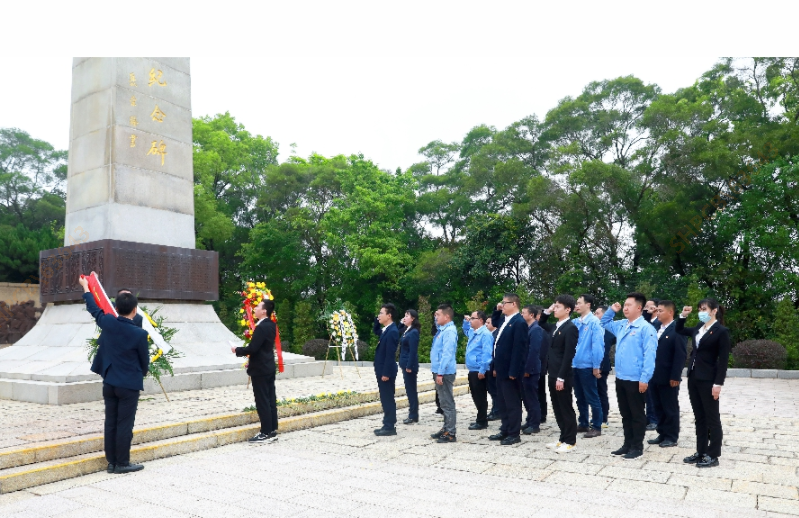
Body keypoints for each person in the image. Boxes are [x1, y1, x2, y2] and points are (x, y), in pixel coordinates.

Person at [80, 273, 149, 474]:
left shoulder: (108, 323)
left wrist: (87, 287)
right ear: (135, 310)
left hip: (109, 382)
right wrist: (141, 373)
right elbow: (144, 361)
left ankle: (111, 462)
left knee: (110, 423)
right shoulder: (139, 334)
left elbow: (93, 308)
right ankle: (122, 463)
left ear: (116, 308)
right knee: (124, 424)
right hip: (128, 385)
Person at [600, 293, 657, 459]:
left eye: (629, 305)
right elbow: (604, 322)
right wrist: (612, 310)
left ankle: (637, 447)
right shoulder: (622, 325)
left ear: (639, 308)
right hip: (621, 377)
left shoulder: (646, 329)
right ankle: (627, 444)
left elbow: (650, 356)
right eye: (624, 305)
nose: (625, 308)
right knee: (625, 414)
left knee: (637, 414)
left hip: (636, 379)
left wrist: (645, 378)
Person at [676, 299, 731, 468]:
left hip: (709, 379)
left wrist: (718, 383)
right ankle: (701, 451)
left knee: (712, 418)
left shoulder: (721, 331)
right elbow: (679, 330)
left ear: (714, 311)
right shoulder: (699, 327)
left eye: (704, 309)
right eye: (700, 309)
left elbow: (723, 361)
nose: (701, 312)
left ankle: (713, 454)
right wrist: (683, 316)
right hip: (693, 377)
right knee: (699, 417)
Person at [232, 299, 279, 443]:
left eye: (257, 307)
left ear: (264, 311)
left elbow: (253, 349)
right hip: (269, 366)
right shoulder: (271, 325)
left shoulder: (262, 327)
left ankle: (265, 432)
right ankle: (272, 429)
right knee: (270, 398)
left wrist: (237, 350)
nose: (255, 309)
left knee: (262, 401)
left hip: (260, 369)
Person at [538, 295, 579, 453]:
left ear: (568, 310)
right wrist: (548, 310)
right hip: (552, 372)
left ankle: (570, 440)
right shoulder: (555, 326)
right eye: (554, 306)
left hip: (563, 375)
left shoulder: (571, 328)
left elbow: (568, 355)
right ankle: (562, 437)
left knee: (565, 407)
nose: (555, 309)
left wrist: (561, 377)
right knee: (557, 406)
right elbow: (541, 322)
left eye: (558, 307)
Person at [488, 293, 528, 446]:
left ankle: (514, 433)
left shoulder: (519, 322)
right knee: (502, 401)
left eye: (505, 303)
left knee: (512, 402)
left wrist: (513, 371)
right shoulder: (506, 320)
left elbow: (519, 349)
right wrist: (497, 310)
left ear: (514, 304)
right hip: (500, 368)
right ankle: (505, 428)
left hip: (510, 370)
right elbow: (495, 322)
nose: (502, 305)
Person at [647, 300, 687, 448]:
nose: (657, 313)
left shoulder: (677, 329)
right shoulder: (656, 327)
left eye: (660, 310)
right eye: (657, 310)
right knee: (657, 406)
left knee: (669, 407)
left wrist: (675, 376)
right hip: (653, 374)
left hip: (668, 376)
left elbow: (680, 355)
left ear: (670, 312)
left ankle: (671, 436)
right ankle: (662, 433)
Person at [569, 294, 605, 438]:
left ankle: (596, 426)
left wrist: (596, 365)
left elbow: (598, 346)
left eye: (579, 303)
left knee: (592, 396)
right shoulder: (575, 322)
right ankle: (583, 422)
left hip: (587, 365)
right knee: (579, 396)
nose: (576, 306)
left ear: (588, 305)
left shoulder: (594, 323)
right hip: (575, 365)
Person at [430, 304, 458, 443]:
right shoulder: (442, 329)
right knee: (443, 402)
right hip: (439, 371)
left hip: (445, 372)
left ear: (447, 316)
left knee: (447, 403)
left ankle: (450, 433)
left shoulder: (449, 331)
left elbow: (447, 353)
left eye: (438, 315)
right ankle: (446, 428)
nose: (436, 317)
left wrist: (440, 373)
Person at [463, 310, 494, 430]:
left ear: (480, 320)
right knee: (475, 395)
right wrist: (465, 321)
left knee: (480, 396)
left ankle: (482, 421)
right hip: (472, 369)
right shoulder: (474, 332)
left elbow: (487, 353)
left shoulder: (485, 334)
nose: (470, 320)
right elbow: (466, 330)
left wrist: (482, 369)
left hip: (479, 370)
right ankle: (480, 418)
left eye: (473, 318)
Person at [373, 303, 400, 436]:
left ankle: (389, 426)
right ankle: (387, 423)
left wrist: (386, 373)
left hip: (386, 371)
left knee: (388, 398)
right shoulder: (387, 330)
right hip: (382, 370)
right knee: (385, 398)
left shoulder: (393, 331)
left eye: (381, 313)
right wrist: (376, 320)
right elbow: (376, 331)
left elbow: (390, 354)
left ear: (389, 316)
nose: (379, 315)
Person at [520, 305, 543, 435]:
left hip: (531, 369)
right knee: (526, 397)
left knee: (532, 397)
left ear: (531, 315)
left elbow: (534, 351)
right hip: (525, 368)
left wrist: (528, 368)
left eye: (524, 313)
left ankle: (535, 424)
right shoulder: (527, 328)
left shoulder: (536, 330)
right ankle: (529, 420)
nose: (522, 315)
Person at [593, 306, 616, 429]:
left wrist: (599, 366)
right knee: (594, 392)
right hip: (592, 365)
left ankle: (603, 418)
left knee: (601, 391)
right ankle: (597, 416)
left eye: (597, 313)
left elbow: (604, 350)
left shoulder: (608, 331)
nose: (595, 315)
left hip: (602, 366)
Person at [399, 310, 420, 425]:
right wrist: (401, 323)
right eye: (404, 315)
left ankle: (413, 415)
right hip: (404, 363)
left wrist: (409, 365)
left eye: (407, 316)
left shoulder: (414, 332)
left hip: (409, 365)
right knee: (409, 389)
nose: (404, 317)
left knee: (411, 390)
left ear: (413, 318)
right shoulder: (406, 330)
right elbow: (398, 331)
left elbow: (413, 351)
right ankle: (413, 413)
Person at [643, 298, 661, 431]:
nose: (646, 309)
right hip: (643, 363)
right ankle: (648, 417)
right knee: (646, 393)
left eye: (649, 307)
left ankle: (654, 419)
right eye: (645, 307)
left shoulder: (659, 324)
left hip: (655, 363)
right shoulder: (645, 322)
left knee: (652, 394)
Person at [485, 317, 500, 421]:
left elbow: (496, 353)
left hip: (493, 366)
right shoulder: (489, 334)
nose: (486, 324)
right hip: (488, 367)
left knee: (495, 391)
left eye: (488, 322)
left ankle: (497, 411)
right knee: (491, 390)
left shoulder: (497, 334)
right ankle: (495, 409)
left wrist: (495, 368)